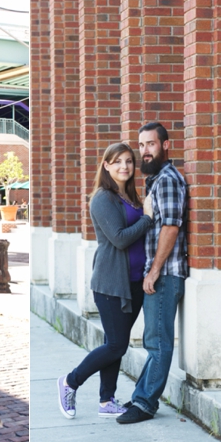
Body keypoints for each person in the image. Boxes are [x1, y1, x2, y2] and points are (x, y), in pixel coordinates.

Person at [57, 143, 153, 418]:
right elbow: (120, 239)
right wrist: (147, 218)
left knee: (116, 343)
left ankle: (106, 401)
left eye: (129, 161)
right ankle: (70, 382)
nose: (124, 166)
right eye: (117, 161)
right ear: (106, 165)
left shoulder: (131, 197)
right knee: (116, 345)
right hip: (112, 284)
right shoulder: (102, 198)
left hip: (134, 281)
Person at [116, 122, 189, 426]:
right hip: (157, 273)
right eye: (142, 145)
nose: (145, 151)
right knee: (152, 340)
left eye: (151, 144)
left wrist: (154, 271)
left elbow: (171, 227)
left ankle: (146, 403)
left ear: (165, 146)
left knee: (158, 342)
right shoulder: (156, 181)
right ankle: (140, 396)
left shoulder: (168, 180)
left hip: (166, 273)